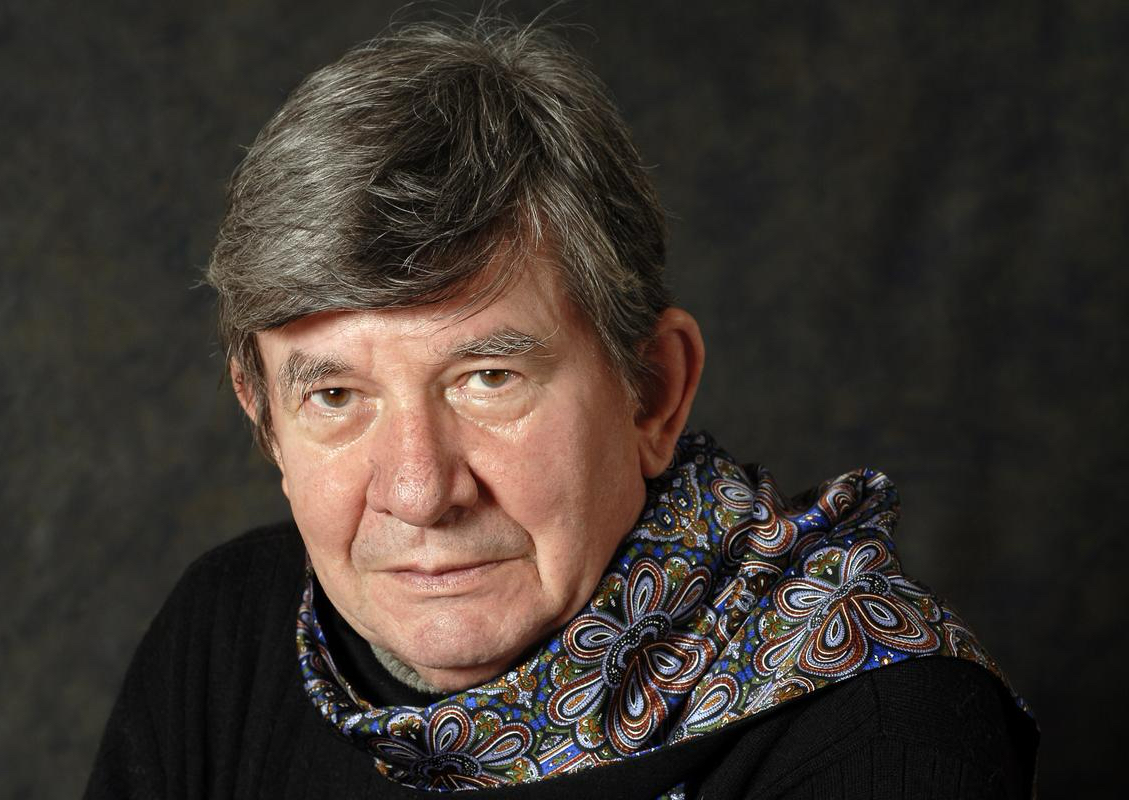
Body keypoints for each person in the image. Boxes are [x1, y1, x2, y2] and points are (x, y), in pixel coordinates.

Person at [85, 18, 1037, 800]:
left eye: (488, 378)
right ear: (265, 420)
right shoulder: (230, 636)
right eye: (336, 396)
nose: (420, 491)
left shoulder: (884, 732)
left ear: (652, 391)